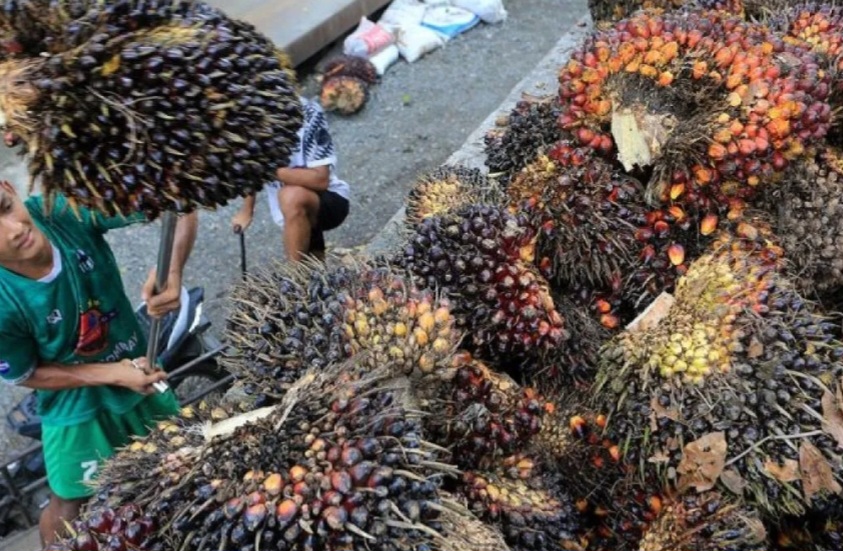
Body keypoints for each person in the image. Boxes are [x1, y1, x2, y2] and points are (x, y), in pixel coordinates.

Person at [0, 180, 198, 545]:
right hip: (74, 408)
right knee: (71, 503)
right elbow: (26, 373)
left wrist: (172, 269)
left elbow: (180, 198)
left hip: (141, 371)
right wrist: (112, 374)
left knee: (181, 465)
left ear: (8, 186)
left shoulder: (58, 209)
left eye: (5, 206)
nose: (15, 230)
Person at [231, 97, 350, 262]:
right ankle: (314, 270)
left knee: (291, 196)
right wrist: (247, 210)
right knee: (314, 269)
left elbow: (320, 180)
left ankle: (295, 277)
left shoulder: (307, 111)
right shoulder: (248, 118)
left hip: (328, 199)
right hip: (290, 212)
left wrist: (267, 169)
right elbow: (250, 164)